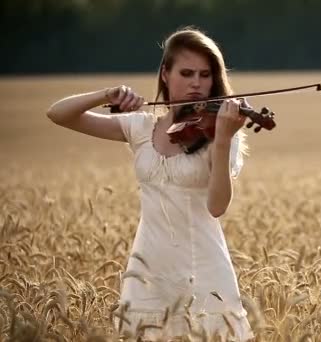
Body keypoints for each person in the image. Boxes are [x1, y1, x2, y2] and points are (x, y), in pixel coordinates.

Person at [46, 26, 254, 341]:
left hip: (203, 271)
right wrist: (108, 94)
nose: (197, 83)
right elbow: (58, 114)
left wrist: (224, 140)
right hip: (147, 271)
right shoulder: (141, 127)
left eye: (205, 74)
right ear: (165, 74)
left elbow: (217, 206)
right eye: (186, 73)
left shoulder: (219, 131)